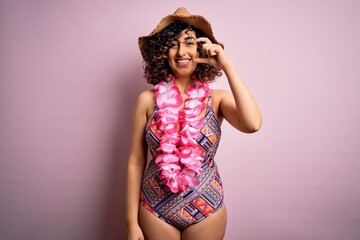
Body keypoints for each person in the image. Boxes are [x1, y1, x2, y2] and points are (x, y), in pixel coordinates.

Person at [126, 7, 262, 240]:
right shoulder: (147, 100)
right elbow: (136, 161)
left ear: (200, 49)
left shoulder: (216, 99)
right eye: (173, 44)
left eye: (189, 43)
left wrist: (226, 64)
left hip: (206, 209)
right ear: (162, 51)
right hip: (154, 208)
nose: (181, 51)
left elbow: (253, 124)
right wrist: (131, 223)